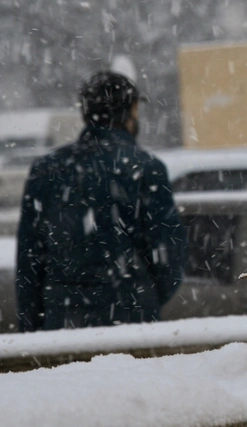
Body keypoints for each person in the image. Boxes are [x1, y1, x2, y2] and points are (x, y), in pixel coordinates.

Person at [15, 71, 187, 332]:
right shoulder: (146, 168)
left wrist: (32, 324)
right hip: (132, 322)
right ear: (130, 111)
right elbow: (168, 254)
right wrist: (143, 298)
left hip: (61, 320)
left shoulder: (46, 170)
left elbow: (29, 259)